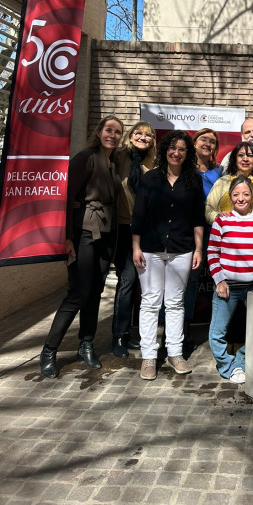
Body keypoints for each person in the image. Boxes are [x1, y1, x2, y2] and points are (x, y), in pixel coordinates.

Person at [40, 115, 124, 378]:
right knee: (78, 292)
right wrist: (66, 238)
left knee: (96, 289)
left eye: (118, 132)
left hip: (107, 233)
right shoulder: (86, 157)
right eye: (109, 130)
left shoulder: (113, 163)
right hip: (84, 233)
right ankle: (49, 350)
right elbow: (66, 197)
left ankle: (86, 344)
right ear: (99, 132)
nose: (113, 135)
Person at [132, 130, 204, 381]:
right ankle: (149, 356)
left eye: (182, 149)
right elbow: (138, 215)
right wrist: (136, 247)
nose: (176, 153)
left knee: (175, 302)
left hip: (182, 249)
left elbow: (197, 219)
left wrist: (198, 249)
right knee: (151, 302)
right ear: (165, 151)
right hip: (150, 249)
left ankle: (175, 353)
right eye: (172, 148)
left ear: (188, 153)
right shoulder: (150, 179)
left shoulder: (193, 181)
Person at [208, 175, 253, 383]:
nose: (241, 198)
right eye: (236, 194)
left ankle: (242, 362)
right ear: (230, 196)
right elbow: (212, 252)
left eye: (245, 194)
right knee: (217, 334)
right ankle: (228, 367)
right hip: (227, 287)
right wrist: (219, 280)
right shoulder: (222, 220)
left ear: (252, 196)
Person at [112, 121, 156, 358]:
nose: (143, 137)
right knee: (127, 281)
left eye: (148, 135)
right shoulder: (120, 157)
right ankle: (119, 335)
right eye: (138, 133)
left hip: (146, 232)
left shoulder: (153, 164)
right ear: (130, 136)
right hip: (123, 228)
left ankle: (136, 332)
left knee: (144, 286)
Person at [183, 127, 223, 351]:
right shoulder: (184, 169)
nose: (207, 144)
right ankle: (184, 330)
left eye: (212, 141)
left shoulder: (218, 171)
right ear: (194, 142)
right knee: (189, 282)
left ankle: (221, 330)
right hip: (191, 235)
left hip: (217, 234)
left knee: (221, 280)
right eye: (203, 139)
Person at [206, 141, 253, 227]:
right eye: (241, 155)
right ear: (234, 159)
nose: (245, 159)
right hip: (227, 236)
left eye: (250, 155)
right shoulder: (222, 183)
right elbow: (208, 209)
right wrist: (218, 217)